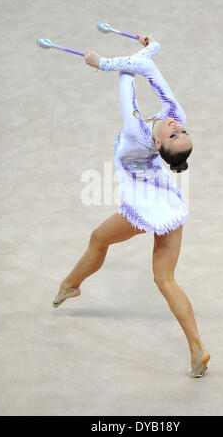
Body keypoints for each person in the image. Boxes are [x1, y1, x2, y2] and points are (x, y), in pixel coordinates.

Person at [52, 34, 210, 378]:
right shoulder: (172, 113)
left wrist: (105, 63)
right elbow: (147, 68)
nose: (176, 125)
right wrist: (147, 50)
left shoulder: (138, 129)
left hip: (143, 205)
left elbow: (128, 80)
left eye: (174, 134)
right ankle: (197, 348)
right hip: (168, 204)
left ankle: (70, 284)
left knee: (98, 239)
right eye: (180, 129)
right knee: (165, 278)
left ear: (157, 145)